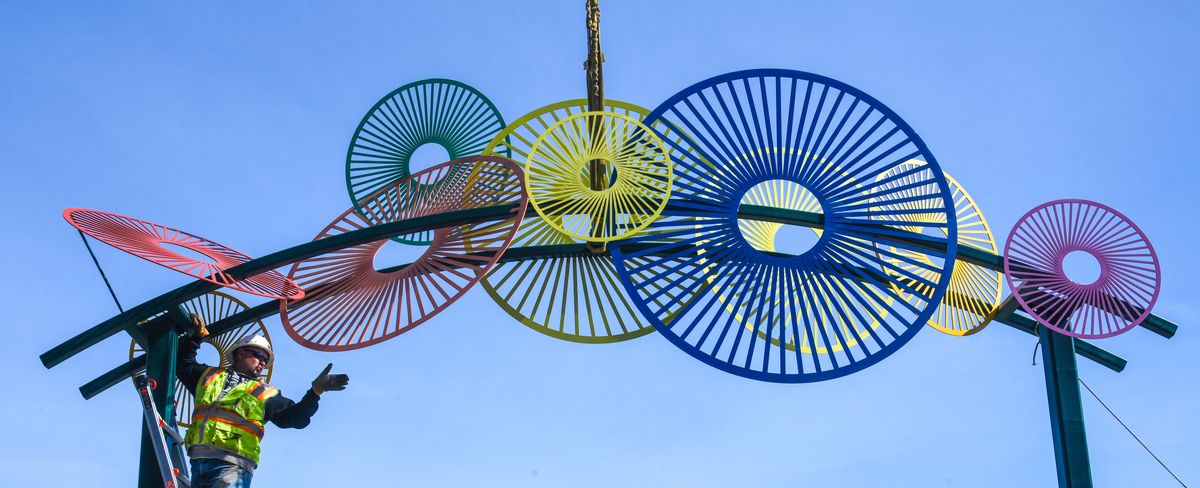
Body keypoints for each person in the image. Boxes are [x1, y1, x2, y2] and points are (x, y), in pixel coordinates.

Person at [176, 315, 349, 488]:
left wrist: (315, 392)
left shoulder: (265, 393)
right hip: (198, 460)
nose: (262, 363)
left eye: (266, 361)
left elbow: (294, 418)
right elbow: (182, 365)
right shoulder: (209, 376)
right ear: (241, 352)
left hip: (233, 464)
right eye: (259, 356)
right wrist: (196, 337)